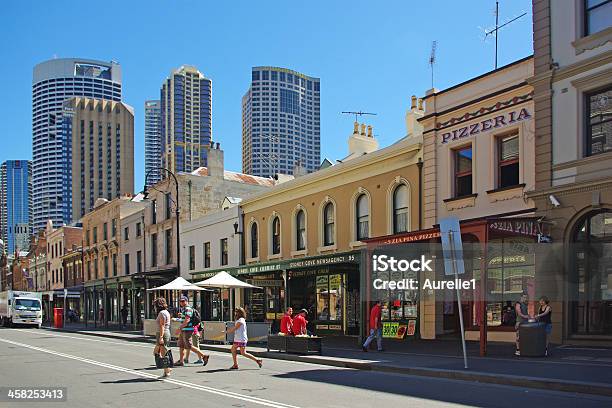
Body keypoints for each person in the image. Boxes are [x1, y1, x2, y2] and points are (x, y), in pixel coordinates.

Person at [175, 296, 209, 366]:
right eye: (181, 301)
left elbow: (187, 320)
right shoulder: (184, 309)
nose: (182, 302)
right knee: (181, 345)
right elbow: (185, 319)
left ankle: (204, 356)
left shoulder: (188, 309)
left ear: (187, 301)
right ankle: (181, 361)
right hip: (184, 330)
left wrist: (179, 328)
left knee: (189, 346)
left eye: (183, 301)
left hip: (187, 330)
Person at [153, 298, 172, 378]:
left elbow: (162, 326)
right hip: (165, 333)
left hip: (162, 334)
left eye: (155, 305)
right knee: (159, 352)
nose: (154, 307)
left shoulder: (161, 313)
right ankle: (166, 370)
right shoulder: (166, 312)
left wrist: (160, 337)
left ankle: (167, 370)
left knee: (162, 353)